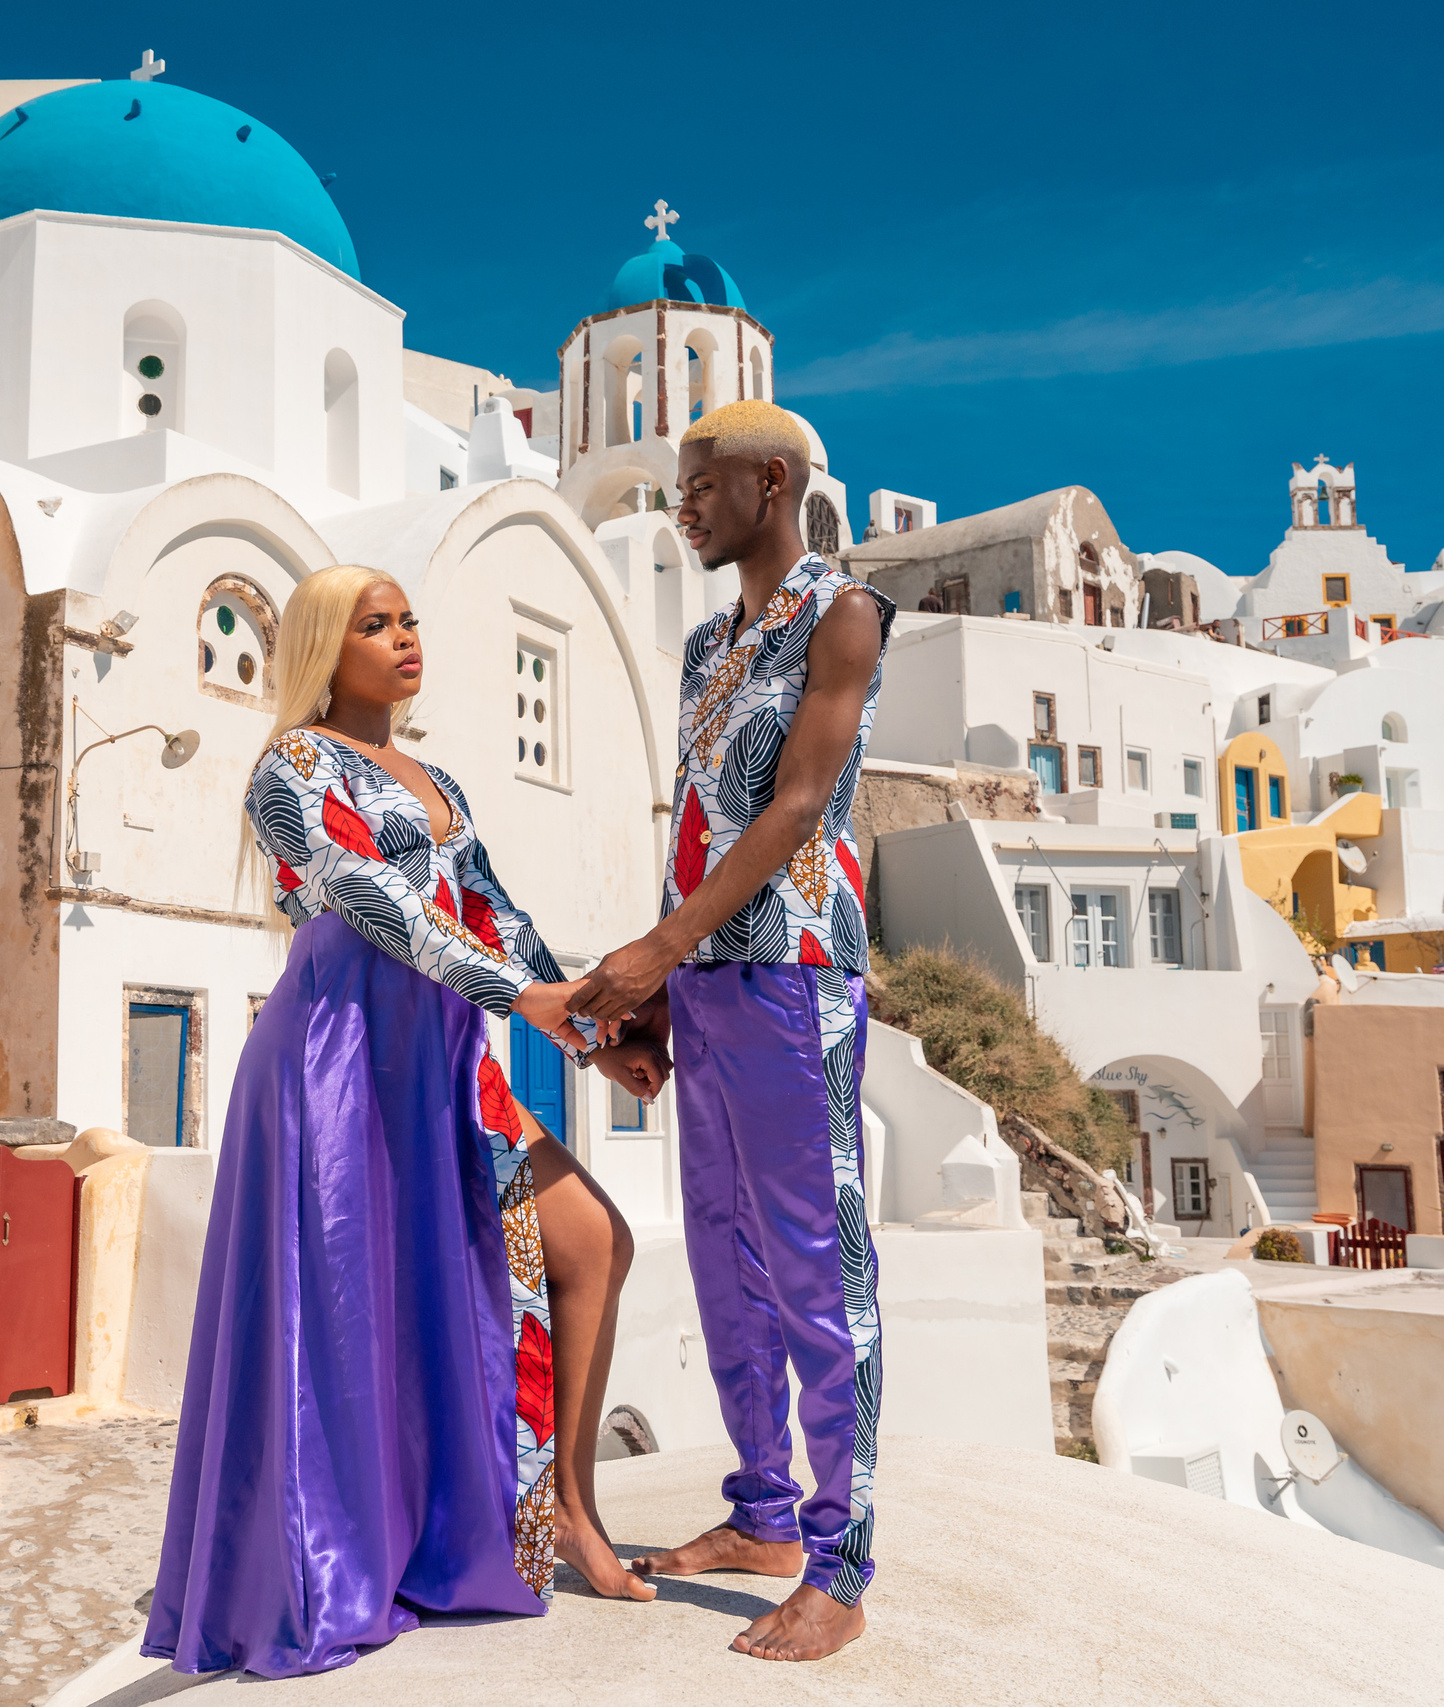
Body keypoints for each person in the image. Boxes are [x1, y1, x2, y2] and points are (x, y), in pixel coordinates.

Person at [142, 564, 648, 1683]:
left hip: (443, 1063)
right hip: (334, 1062)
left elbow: (493, 912)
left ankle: (565, 1508)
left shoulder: (440, 781)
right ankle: (336, 1559)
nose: (403, 638)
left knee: (592, 1241)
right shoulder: (289, 767)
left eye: (409, 619)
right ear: (327, 649)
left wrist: (601, 1038)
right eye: (375, 625)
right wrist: (524, 1003)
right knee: (341, 1315)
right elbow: (371, 901)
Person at [578, 399, 896, 1663]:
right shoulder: (711, 642)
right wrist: (659, 991)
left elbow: (801, 806)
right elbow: (698, 824)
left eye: (699, 487)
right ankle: (762, 1515)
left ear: (772, 481)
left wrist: (661, 946)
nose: (682, 510)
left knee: (821, 1268)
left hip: (796, 971)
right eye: (675, 491)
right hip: (707, 983)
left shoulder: (846, 613)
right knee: (725, 1260)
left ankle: (842, 1563)